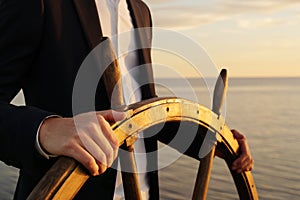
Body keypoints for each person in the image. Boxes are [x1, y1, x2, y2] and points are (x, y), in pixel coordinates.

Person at [0, 0, 254, 199]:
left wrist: (208, 141)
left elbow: (141, 108)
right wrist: (45, 130)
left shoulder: (141, 11)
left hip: (142, 193)